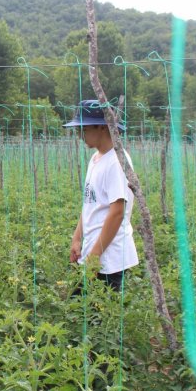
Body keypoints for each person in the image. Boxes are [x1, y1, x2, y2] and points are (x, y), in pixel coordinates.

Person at [63, 100, 138, 291]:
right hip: (93, 254)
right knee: (83, 312)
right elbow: (90, 203)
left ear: (102, 127)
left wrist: (95, 256)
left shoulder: (117, 161)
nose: (80, 135)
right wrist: (77, 238)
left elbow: (117, 212)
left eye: (84, 129)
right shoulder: (96, 158)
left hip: (109, 259)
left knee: (100, 316)